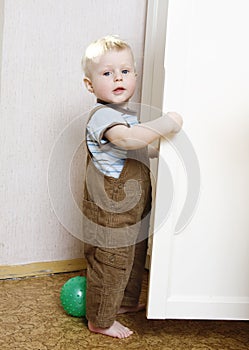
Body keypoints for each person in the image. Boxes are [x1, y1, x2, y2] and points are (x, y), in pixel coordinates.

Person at [81, 35, 183, 339]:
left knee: (133, 254)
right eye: (107, 73)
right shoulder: (103, 117)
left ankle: (123, 302)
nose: (118, 78)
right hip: (110, 208)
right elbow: (128, 140)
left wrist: (155, 150)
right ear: (90, 85)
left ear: (135, 76)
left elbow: (135, 148)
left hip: (132, 204)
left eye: (125, 71)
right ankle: (100, 319)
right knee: (112, 258)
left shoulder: (126, 116)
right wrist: (168, 124)